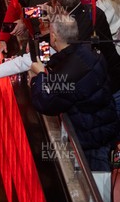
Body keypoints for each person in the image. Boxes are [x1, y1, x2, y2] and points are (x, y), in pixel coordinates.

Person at [30, 15, 119, 172]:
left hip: (91, 141)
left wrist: (39, 77)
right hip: (109, 128)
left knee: (99, 185)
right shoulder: (91, 52)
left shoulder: (66, 76)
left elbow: (44, 103)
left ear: (54, 36)